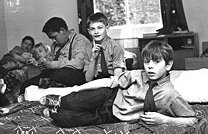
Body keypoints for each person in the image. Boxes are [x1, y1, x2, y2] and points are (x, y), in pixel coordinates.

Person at [40, 40, 198, 128]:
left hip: (114, 114)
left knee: (63, 119)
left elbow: (192, 119)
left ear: (168, 65)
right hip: (108, 95)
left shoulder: (170, 94)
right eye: (147, 62)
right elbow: (110, 82)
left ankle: (55, 110)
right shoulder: (137, 74)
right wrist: (79, 87)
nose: (150, 66)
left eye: (156, 62)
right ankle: (58, 100)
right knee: (70, 100)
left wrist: (164, 119)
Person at [20, 17, 91, 94]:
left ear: (62, 31)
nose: (53, 41)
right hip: (56, 74)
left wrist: (52, 64)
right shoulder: (55, 45)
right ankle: (36, 90)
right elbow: (51, 63)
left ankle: (44, 86)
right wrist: (44, 65)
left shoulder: (79, 39)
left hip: (74, 74)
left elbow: (78, 64)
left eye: (54, 37)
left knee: (58, 75)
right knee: (26, 84)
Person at [84, 12, 126, 82]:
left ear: (107, 28)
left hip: (111, 82)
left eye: (100, 28)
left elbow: (117, 79)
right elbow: (88, 79)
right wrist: (93, 59)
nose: (96, 32)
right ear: (89, 31)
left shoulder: (115, 47)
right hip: (94, 83)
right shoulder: (88, 48)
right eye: (92, 29)